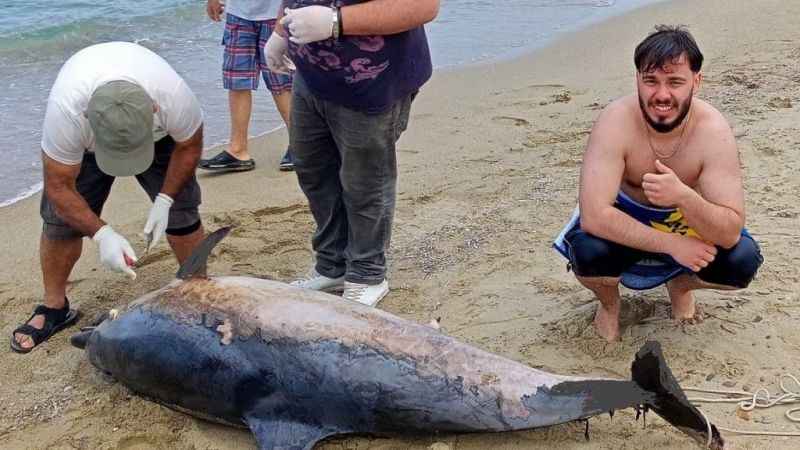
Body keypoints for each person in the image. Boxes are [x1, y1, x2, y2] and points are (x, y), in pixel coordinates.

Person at [553, 25, 763, 343]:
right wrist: (672, 245)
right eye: (651, 81)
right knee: (588, 251)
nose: (661, 95)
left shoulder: (713, 132)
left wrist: (684, 197)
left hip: (685, 226)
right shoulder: (615, 121)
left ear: (696, 80)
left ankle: (682, 285)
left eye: (675, 82)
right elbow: (595, 215)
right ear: (638, 79)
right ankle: (609, 305)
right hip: (624, 229)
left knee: (742, 261)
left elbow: (730, 231)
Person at [10, 42, 206, 353]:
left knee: (183, 212)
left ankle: (200, 292)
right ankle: (54, 306)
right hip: (89, 146)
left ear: (154, 108)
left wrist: (166, 199)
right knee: (61, 222)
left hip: (158, 140)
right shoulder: (67, 113)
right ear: (86, 115)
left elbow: (189, 146)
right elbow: (59, 186)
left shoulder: (172, 96)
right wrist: (103, 235)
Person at [265, 0, 439, 306]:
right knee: (312, 169)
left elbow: (423, 6)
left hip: (373, 82)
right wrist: (280, 30)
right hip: (311, 75)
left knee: (364, 182)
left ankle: (368, 273)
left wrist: (336, 21)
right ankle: (333, 266)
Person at [200, 0, 295, 172]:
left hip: (278, 13)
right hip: (238, 13)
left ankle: (299, 144)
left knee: (280, 81)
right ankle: (238, 150)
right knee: (237, 79)